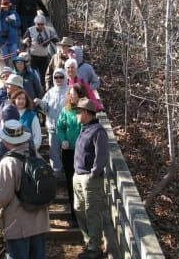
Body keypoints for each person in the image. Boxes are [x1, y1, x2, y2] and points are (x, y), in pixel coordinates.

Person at [0, 120, 50, 259]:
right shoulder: (36, 156)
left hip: (18, 225)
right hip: (40, 222)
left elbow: (0, 196)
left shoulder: (9, 162)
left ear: (7, 141)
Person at [73, 98, 110, 259]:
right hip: (78, 176)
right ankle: (89, 242)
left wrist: (93, 173)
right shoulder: (84, 128)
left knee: (92, 212)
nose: (76, 115)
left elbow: (102, 155)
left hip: (89, 178)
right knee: (79, 209)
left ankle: (94, 248)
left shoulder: (98, 131)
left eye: (78, 112)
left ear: (87, 113)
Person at [56, 83, 88, 227]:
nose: (73, 97)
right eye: (71, 95)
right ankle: (74, 215)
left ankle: (84, 214)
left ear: (80, 96)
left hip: (82, 153)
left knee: (81, 183)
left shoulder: (86, 111)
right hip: (68, 152)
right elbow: (60, 127)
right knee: (70, 182)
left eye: (75, 95)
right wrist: (63, 140)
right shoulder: (65, 110)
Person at [0, 104, 36, 169]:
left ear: (3, 120)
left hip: (12, 173)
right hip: (29, 169)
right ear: (18, 117)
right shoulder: (26, 130)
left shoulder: (4, 139)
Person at [34, 68, 67, 175]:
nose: (58, 79)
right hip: (53, 127)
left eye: (61, 77)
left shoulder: (70, 90)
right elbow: (45, 108)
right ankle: (56, 172)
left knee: (68, 151)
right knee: (54, 152)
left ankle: (68, 172)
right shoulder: (50, 92)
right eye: (56, 77)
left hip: (67, 128)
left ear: (65, 77)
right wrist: (40, 102)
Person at [23, 15, 58, 87]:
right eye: (38, 24)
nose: (40, 26)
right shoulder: (30, 30)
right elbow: (24, 41)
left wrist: (54, 40)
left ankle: (43, 87)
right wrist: (25, 44)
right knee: (33, 73)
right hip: (33, 56)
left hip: (44, 56)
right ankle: (33, 86)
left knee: (44, 74)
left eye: (42, 24)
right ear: (35, 24)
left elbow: (55, 40)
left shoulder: (49, 30)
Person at [0, 0, 21, 65]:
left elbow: (18, 24)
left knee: (14, 57)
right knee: (4, 57)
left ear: (9, 6)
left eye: (6, 7)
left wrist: (11, 21)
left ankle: (15, 71)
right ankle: (6, 71)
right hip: (2, 39)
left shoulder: (13, 13)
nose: (5, 8)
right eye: (3, 7)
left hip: (13, 38)